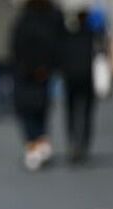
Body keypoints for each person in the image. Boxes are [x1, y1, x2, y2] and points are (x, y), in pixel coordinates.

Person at [12, 0, 65, 171]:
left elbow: (16, 45)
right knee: (42, 107)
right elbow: (57, 45)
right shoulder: (53, 17)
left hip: (25, 73)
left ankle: (34, 144)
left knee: (26, 111)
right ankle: (41, 139)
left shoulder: (24, 19)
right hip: (44, 72)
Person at [61, 8, 98, 164]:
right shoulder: (91, 34)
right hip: (86, 78)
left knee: (70, 112)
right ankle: (83, 144)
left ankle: (73, 142)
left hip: (70, 78)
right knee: (87, 113)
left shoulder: (68, 35)